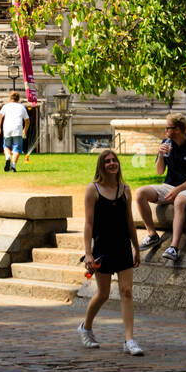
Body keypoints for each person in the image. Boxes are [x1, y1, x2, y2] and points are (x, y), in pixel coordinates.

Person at [78, 148, 143, 355]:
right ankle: (85, 327)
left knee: (127, 291)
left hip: (122, 245)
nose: (112, 164)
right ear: (101, 166)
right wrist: (88, 253)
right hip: (102, 248)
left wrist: (136, 247)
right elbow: (88, 224)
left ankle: (129, 340)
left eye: (114, 160)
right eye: (107, 161)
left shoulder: (125, 190)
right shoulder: (93, 189)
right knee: (103, 293)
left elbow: (129, 221)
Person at [135, 113, 186, 261]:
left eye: (167, 128)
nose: (165, 131)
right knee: (140, 193)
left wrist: (177, 190)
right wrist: (160, 155)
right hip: (168, 186)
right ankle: (152, 235)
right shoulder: (166, 143)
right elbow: (160, 172)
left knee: (179, 202)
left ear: (177, 129)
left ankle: (174, 247)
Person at [0, 91, 29, 173]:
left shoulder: (6, 106)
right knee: (17, 148)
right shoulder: (21, 107)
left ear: (10, 98)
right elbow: (27, 120)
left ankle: (8, 157)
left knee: (6, 146)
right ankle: (13, 166)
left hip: (7, 128)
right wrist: (24, 130)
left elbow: (0, 115)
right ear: (18, 99)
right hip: (17, 128)